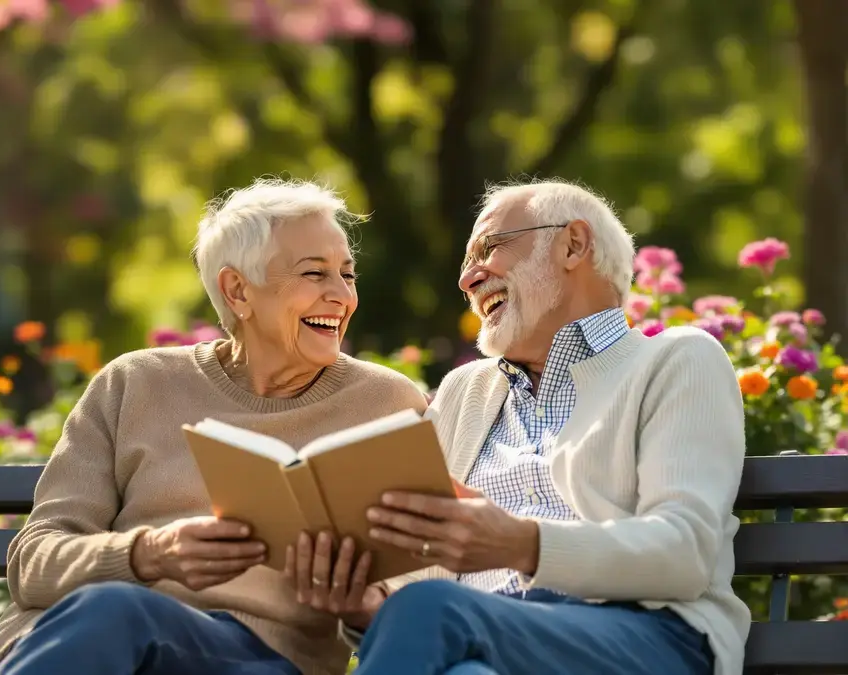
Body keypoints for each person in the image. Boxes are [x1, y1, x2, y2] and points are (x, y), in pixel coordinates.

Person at [0, 178, 430, 675]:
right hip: (106, 642)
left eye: (347, 275)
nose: (341, 296)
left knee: (113, 613)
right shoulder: (134, 384)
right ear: (237, 290)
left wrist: (364, 605)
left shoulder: (386, 404)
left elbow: (423, 579)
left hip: (264, 661)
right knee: (113, 612)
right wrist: (148, 555)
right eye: (315, 274)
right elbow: (35, 561)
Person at [285, 179, 749, 675]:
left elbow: (685, 553)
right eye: (465, 265)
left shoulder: (677, 360)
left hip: (647, 635)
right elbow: (420, 578)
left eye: (488, 249)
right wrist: (365, 606)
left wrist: (521, 544)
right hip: (485, 642)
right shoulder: (465, 391)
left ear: (573, 244)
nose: (467, 280)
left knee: (435, 609)